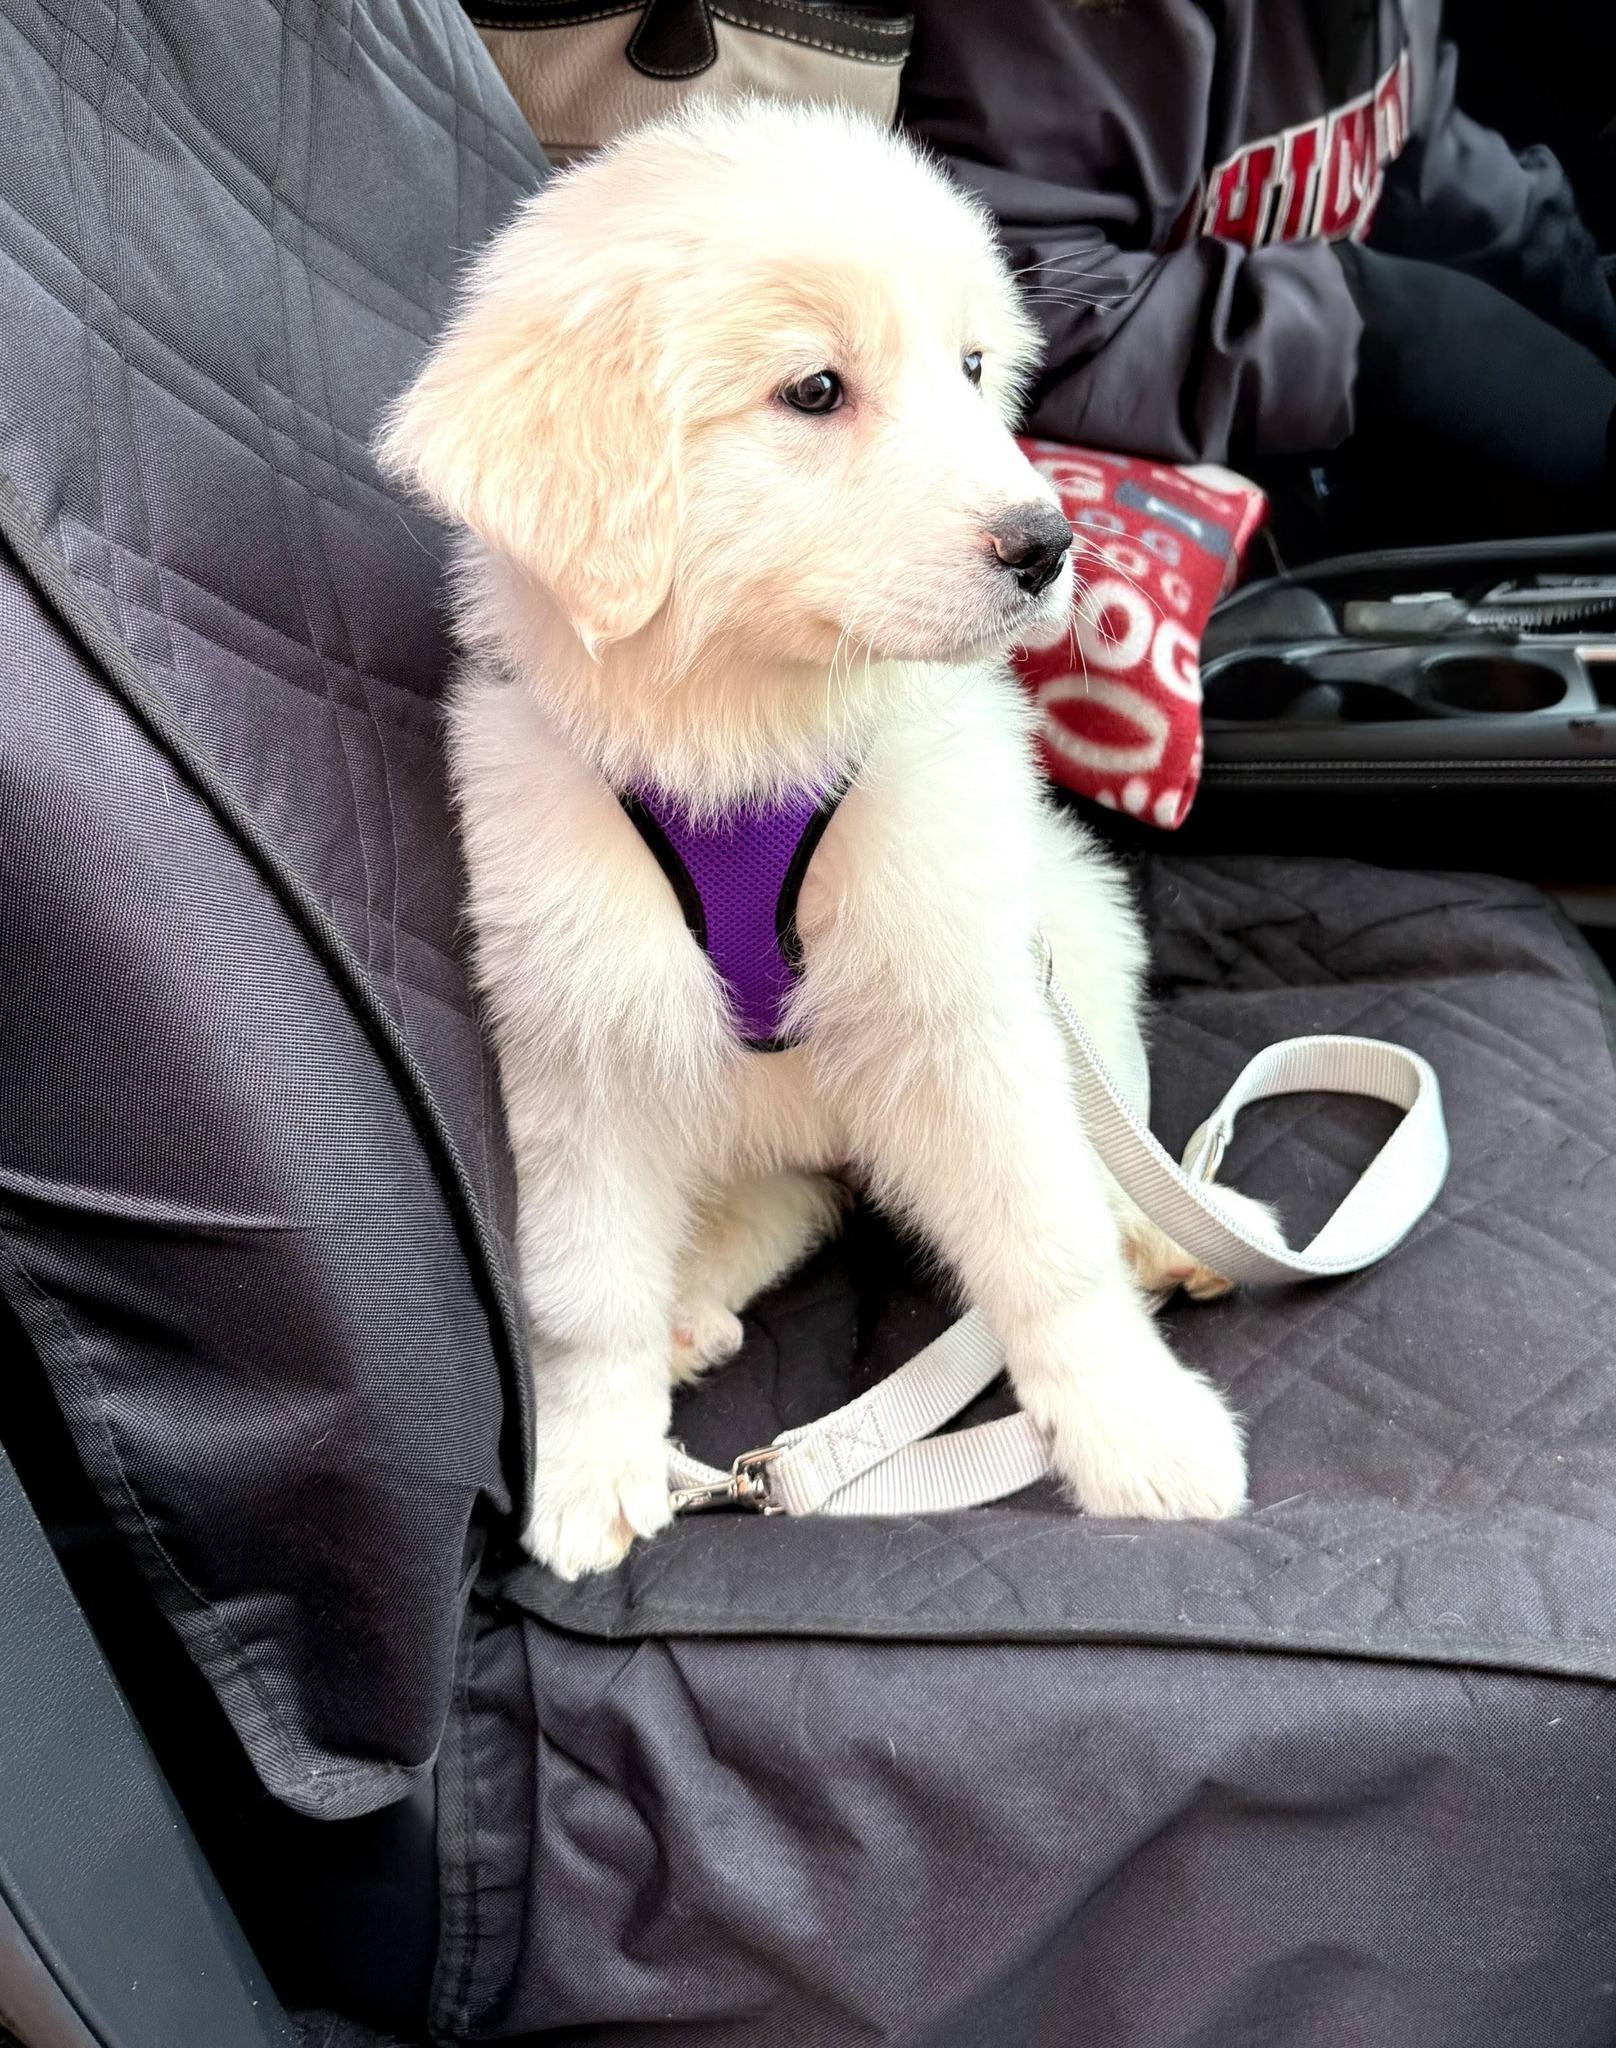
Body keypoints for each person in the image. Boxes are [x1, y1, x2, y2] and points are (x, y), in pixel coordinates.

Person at [899, 0, 1616, 554]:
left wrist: (1566, 276)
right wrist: (1386, 331)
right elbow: (1015, 307)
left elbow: (1409, 134)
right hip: (1122, 444)